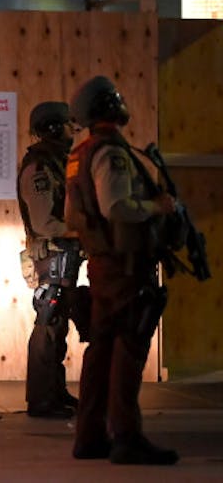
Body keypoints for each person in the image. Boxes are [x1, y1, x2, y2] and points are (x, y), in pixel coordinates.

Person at [66, 76, 180, 465]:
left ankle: (90, 436)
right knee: (129, 348)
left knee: (100, 350)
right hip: (124, 267)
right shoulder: (110, 152)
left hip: (102, 265)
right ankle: (126, 437)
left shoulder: (79, 153)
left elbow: (71, 215)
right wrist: (157, 208)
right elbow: (116, 206)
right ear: (107, 107)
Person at [17, 100, 86, 419]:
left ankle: (54, 393)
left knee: (55, 326)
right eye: (68, 124)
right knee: (48, 320)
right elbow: (45, 223)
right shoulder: (40, 168)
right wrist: (86, 229)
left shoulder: (57, 162)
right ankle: (42, 399)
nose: (74, 130)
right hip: (52, 254)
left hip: (63, 254)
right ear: (55, 127)